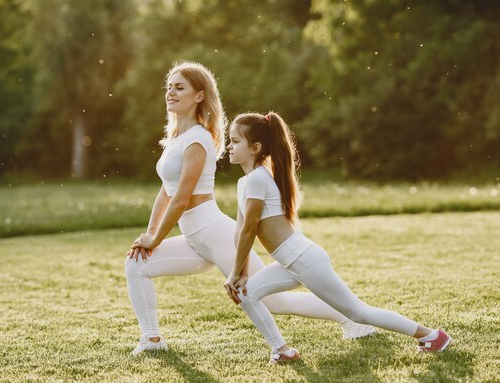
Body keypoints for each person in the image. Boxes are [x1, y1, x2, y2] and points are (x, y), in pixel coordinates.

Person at [125, 62, 376, 355]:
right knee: (136, 263)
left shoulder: (197, 139)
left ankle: (352, 318)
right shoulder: (176, 140)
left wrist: (155, 240)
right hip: (195, 239)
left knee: (275, 301)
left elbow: (181, 199)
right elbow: (165, 193)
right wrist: (149, 234)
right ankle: (152, 340)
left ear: (199, 96)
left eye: (179, 87)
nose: (170, 92)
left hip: (214, 232)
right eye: (169, 86)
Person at [224, 111, 452, 364]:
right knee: (247, 294)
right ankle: (283, 351)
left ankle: (432, 336)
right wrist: (241, 273)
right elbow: (240, 229)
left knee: (359, 313)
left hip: (303, 258)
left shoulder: (257, 179)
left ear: (255, 147)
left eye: (235, 141)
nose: (229, 146)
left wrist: (235, 273)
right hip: (291, 261)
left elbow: (250, 229)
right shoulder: (245, 183)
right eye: (229, 140)